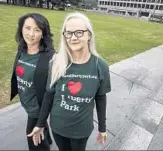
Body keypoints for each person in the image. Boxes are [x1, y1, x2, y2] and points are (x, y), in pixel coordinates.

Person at [27, 12, 112, 151]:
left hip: (81, 130)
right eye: (68, 33)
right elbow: (49, 95)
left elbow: (101, 97)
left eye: (79, 32)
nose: (73, 38)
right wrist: (40, 124)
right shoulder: (57, 62)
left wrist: (102, 128)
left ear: (89, 35)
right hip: (58, 126)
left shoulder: (100, 66)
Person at [10, 13, 55, 151]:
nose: (31, 34)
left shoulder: (51, 57)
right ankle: (47, 137)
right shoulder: (22, 49)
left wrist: (41, 119)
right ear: (21, 29)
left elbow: (50, 91)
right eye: (27, 28)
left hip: (38, 108)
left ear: (43, 33)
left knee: (34, 140)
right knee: (40, 130)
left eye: (37, 30)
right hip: (27, 102)